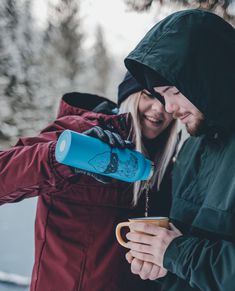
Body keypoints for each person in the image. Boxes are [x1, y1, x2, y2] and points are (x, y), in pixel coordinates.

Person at [0, 71, 178, 291]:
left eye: (166, 98)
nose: (158, 109)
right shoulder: (80, 134)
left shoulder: (168, 164)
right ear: (129, 96)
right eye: (148, 95)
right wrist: (63, 157)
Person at [121, 8, 235, 291]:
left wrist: (175, 253)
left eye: (173, 91)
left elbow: (183, 251)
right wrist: (164, 266)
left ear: (208, 76)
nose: (168, 108)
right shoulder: (191, 148)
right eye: (160, 95)